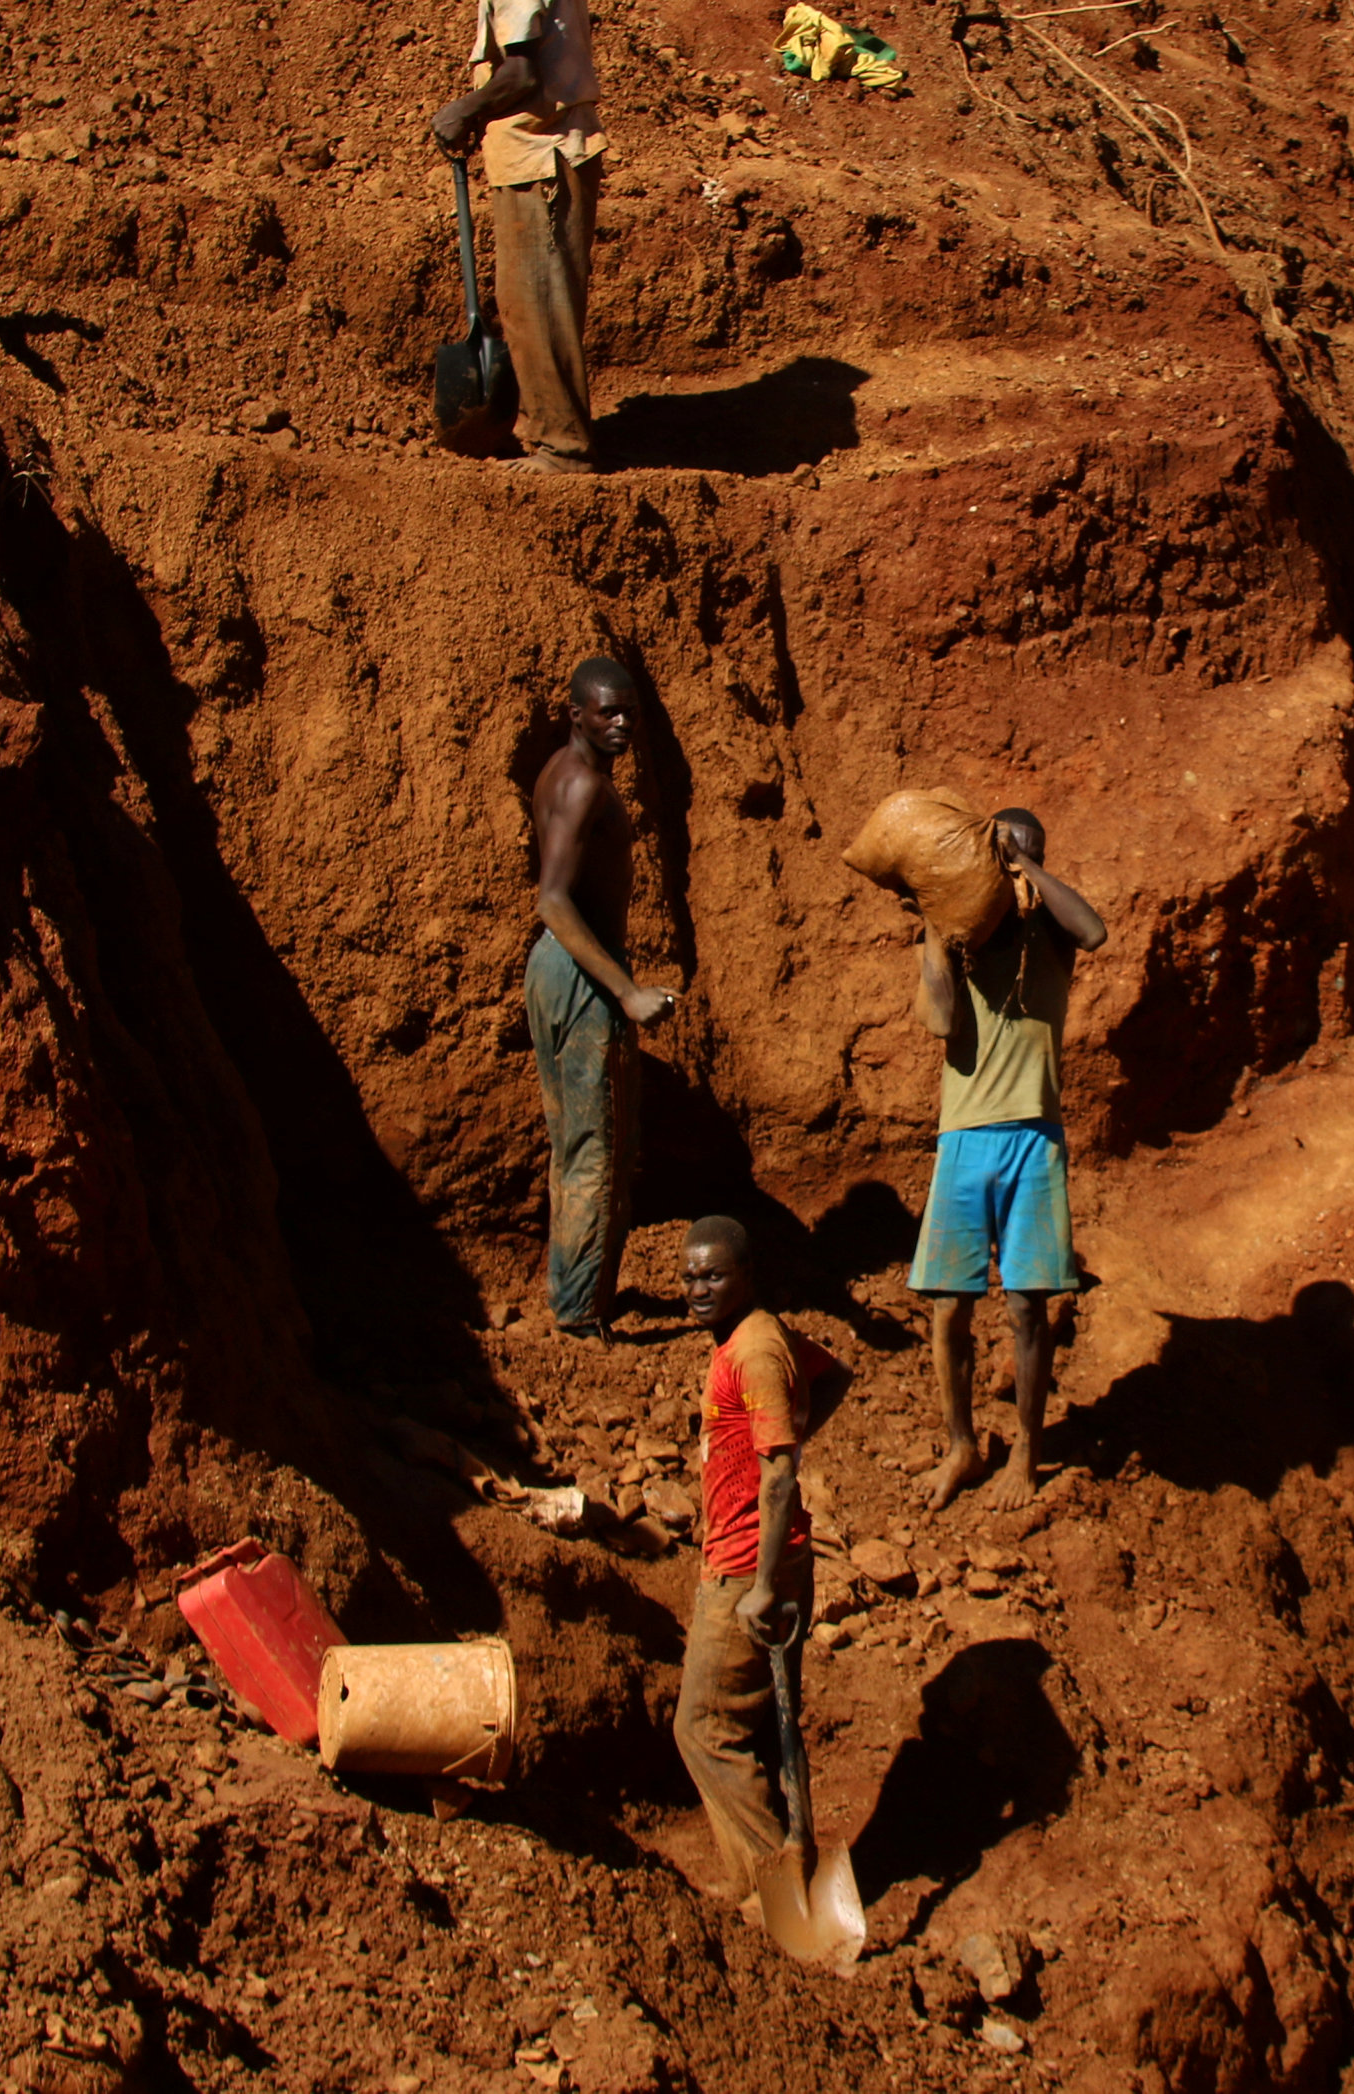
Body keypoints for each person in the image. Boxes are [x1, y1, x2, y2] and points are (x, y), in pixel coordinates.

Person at [910, 808, 1106, 1512]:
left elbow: (1095, 929)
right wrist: (936, 929)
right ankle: (961, 1443)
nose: (1015, 868)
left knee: (1027, 1307)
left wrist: (1027, 868)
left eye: (1028, 855)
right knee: (948, 1310)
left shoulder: (1053, 934)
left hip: (1033, 1137)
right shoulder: (959, 940)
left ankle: (1026, 1449)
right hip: (963, 1138)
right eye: (1005, 856)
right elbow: (939, 1020)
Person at [673, 1217, 851, 1899]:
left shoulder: (752, 1352)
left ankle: (769, 1888)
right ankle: (795, 1859)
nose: (698, 1288)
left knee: (704, 1729)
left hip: (750, 1568)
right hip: (769, 1559)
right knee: (773, 1722)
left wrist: (762, 1584)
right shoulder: (762, 1337)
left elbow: (780, 1476)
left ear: (747, 1275)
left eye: (713, 1275)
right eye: (690, 1276)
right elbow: (833, 1376)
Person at [428, 0, 606, 474]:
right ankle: (541, 423)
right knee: (531, 300)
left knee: (538, 300)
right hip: (544, 151)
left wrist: (465, 111)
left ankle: (562, 447)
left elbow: (523, 74)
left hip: (542, 158)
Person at [526, 656, 673, 1336]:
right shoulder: (584, 786)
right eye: (607, 712)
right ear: (576, 711)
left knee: (574, 1140)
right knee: (600, 1146)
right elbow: (553, 899)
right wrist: (627, 992)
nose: (620, 724)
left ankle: (572, 1295)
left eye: (629, 713)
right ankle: (581, 1313)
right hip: (582, 973)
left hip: (555, 968)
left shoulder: (559, 770)